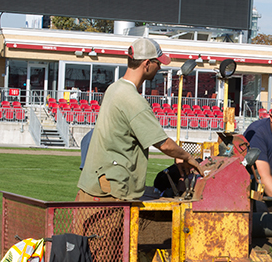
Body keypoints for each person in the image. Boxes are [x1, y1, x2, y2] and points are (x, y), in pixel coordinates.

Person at [77, 37, 203, 202]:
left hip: (95, 184)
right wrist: (188, 157)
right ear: (147, 63)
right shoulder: (133, 100)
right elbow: (163, 143)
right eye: (158, 63)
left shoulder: (114, 88)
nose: (159, 67)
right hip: (110, 191)